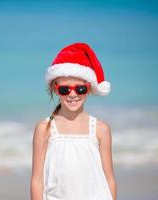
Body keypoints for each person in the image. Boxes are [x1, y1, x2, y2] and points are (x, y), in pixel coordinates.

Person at [30, 43, 117, 200]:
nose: (72, 94)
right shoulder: (44, 128)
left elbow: (109, 178)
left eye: (80, 89)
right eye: (65, 89)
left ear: (89, 88)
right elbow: (37, 180)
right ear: (55, 88)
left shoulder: (100, 129)